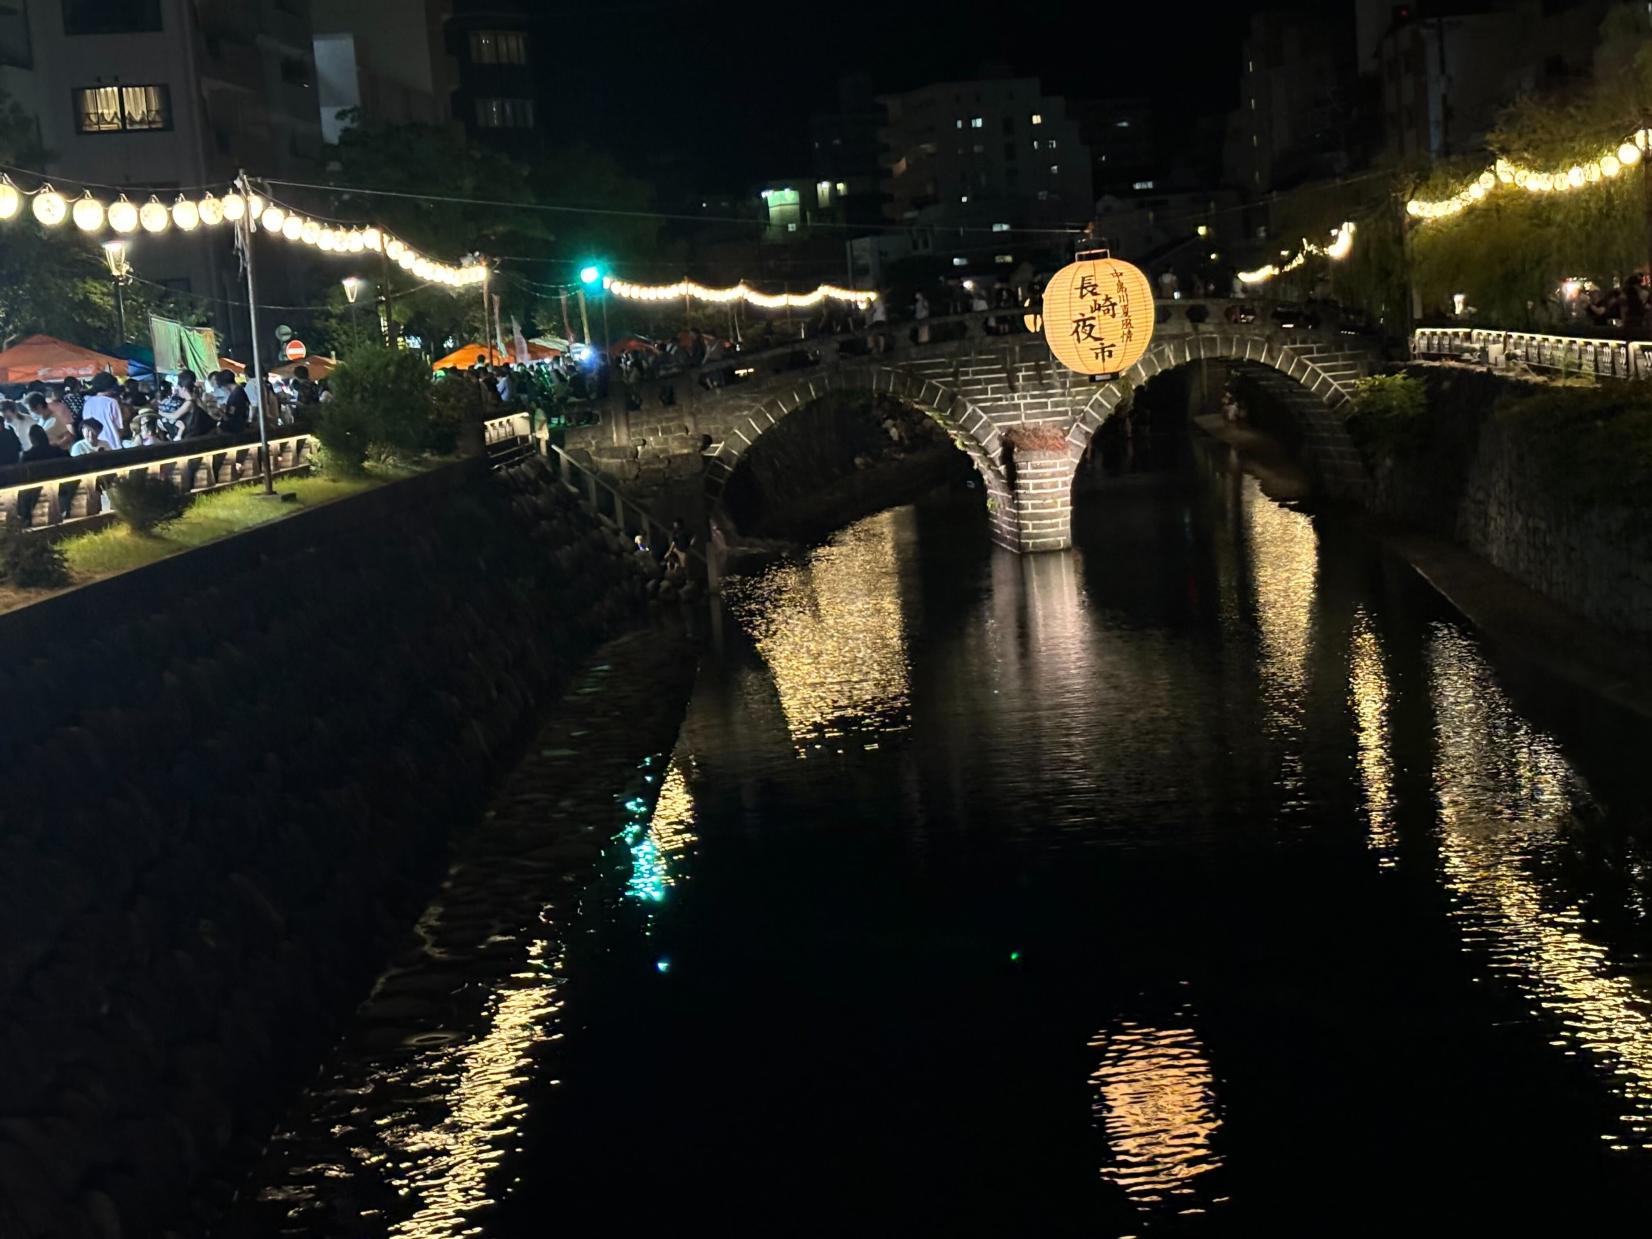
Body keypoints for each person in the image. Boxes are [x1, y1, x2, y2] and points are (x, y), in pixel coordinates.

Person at [82, 372, 125, 446]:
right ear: (109, 387)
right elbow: (119, 428)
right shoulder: (112, 402)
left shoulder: (87, 403)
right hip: (112, 445)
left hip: (93, 445)